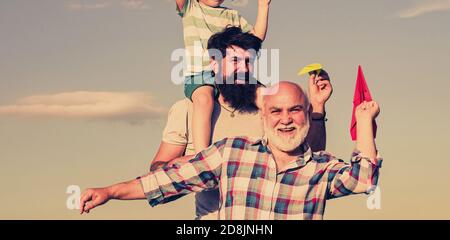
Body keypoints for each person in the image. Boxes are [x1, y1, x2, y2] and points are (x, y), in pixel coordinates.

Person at [80, 82, 381, 220]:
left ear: (306, 114)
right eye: (276, 111)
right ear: (263, 117)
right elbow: (167, 180)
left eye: (295, 110)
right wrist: (110, 191)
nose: (286, 119)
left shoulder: (321, 168)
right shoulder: (232, 153)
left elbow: (364, 179)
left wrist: (364, 120)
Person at [165, 0, 273, 157]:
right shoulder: (191, 8)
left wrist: (263, 6)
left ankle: (275, 147)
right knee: (204, 101)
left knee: (266, 97)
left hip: (233, 75)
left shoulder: (231, 16)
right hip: (201, 75)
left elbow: (256, 38)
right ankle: (202, 157)